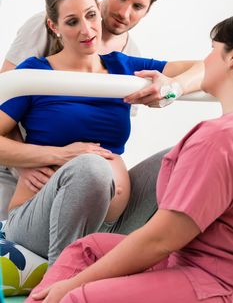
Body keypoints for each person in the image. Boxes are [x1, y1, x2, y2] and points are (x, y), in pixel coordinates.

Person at [25, 16, 233, 303]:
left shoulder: (216, 140)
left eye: (212, 48)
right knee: (87, 249)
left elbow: (160, 240)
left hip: (211, 277)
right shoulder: (33, 72)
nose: (206, 58)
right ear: (54, 26)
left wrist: (70, 287)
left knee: (75, 297)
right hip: (186, 256)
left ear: (231, 58)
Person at [0, 0, 203, 266]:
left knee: (188, 151)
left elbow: (209, 67)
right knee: (91, 167)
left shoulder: (124, 67)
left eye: (91, 15)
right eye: (72, 22)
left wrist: (173, 88)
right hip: (37, 223)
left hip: (112, 225)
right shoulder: (35, 73)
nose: (87, 29)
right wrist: (61, 155)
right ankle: (62, 280)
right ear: (53, 26)